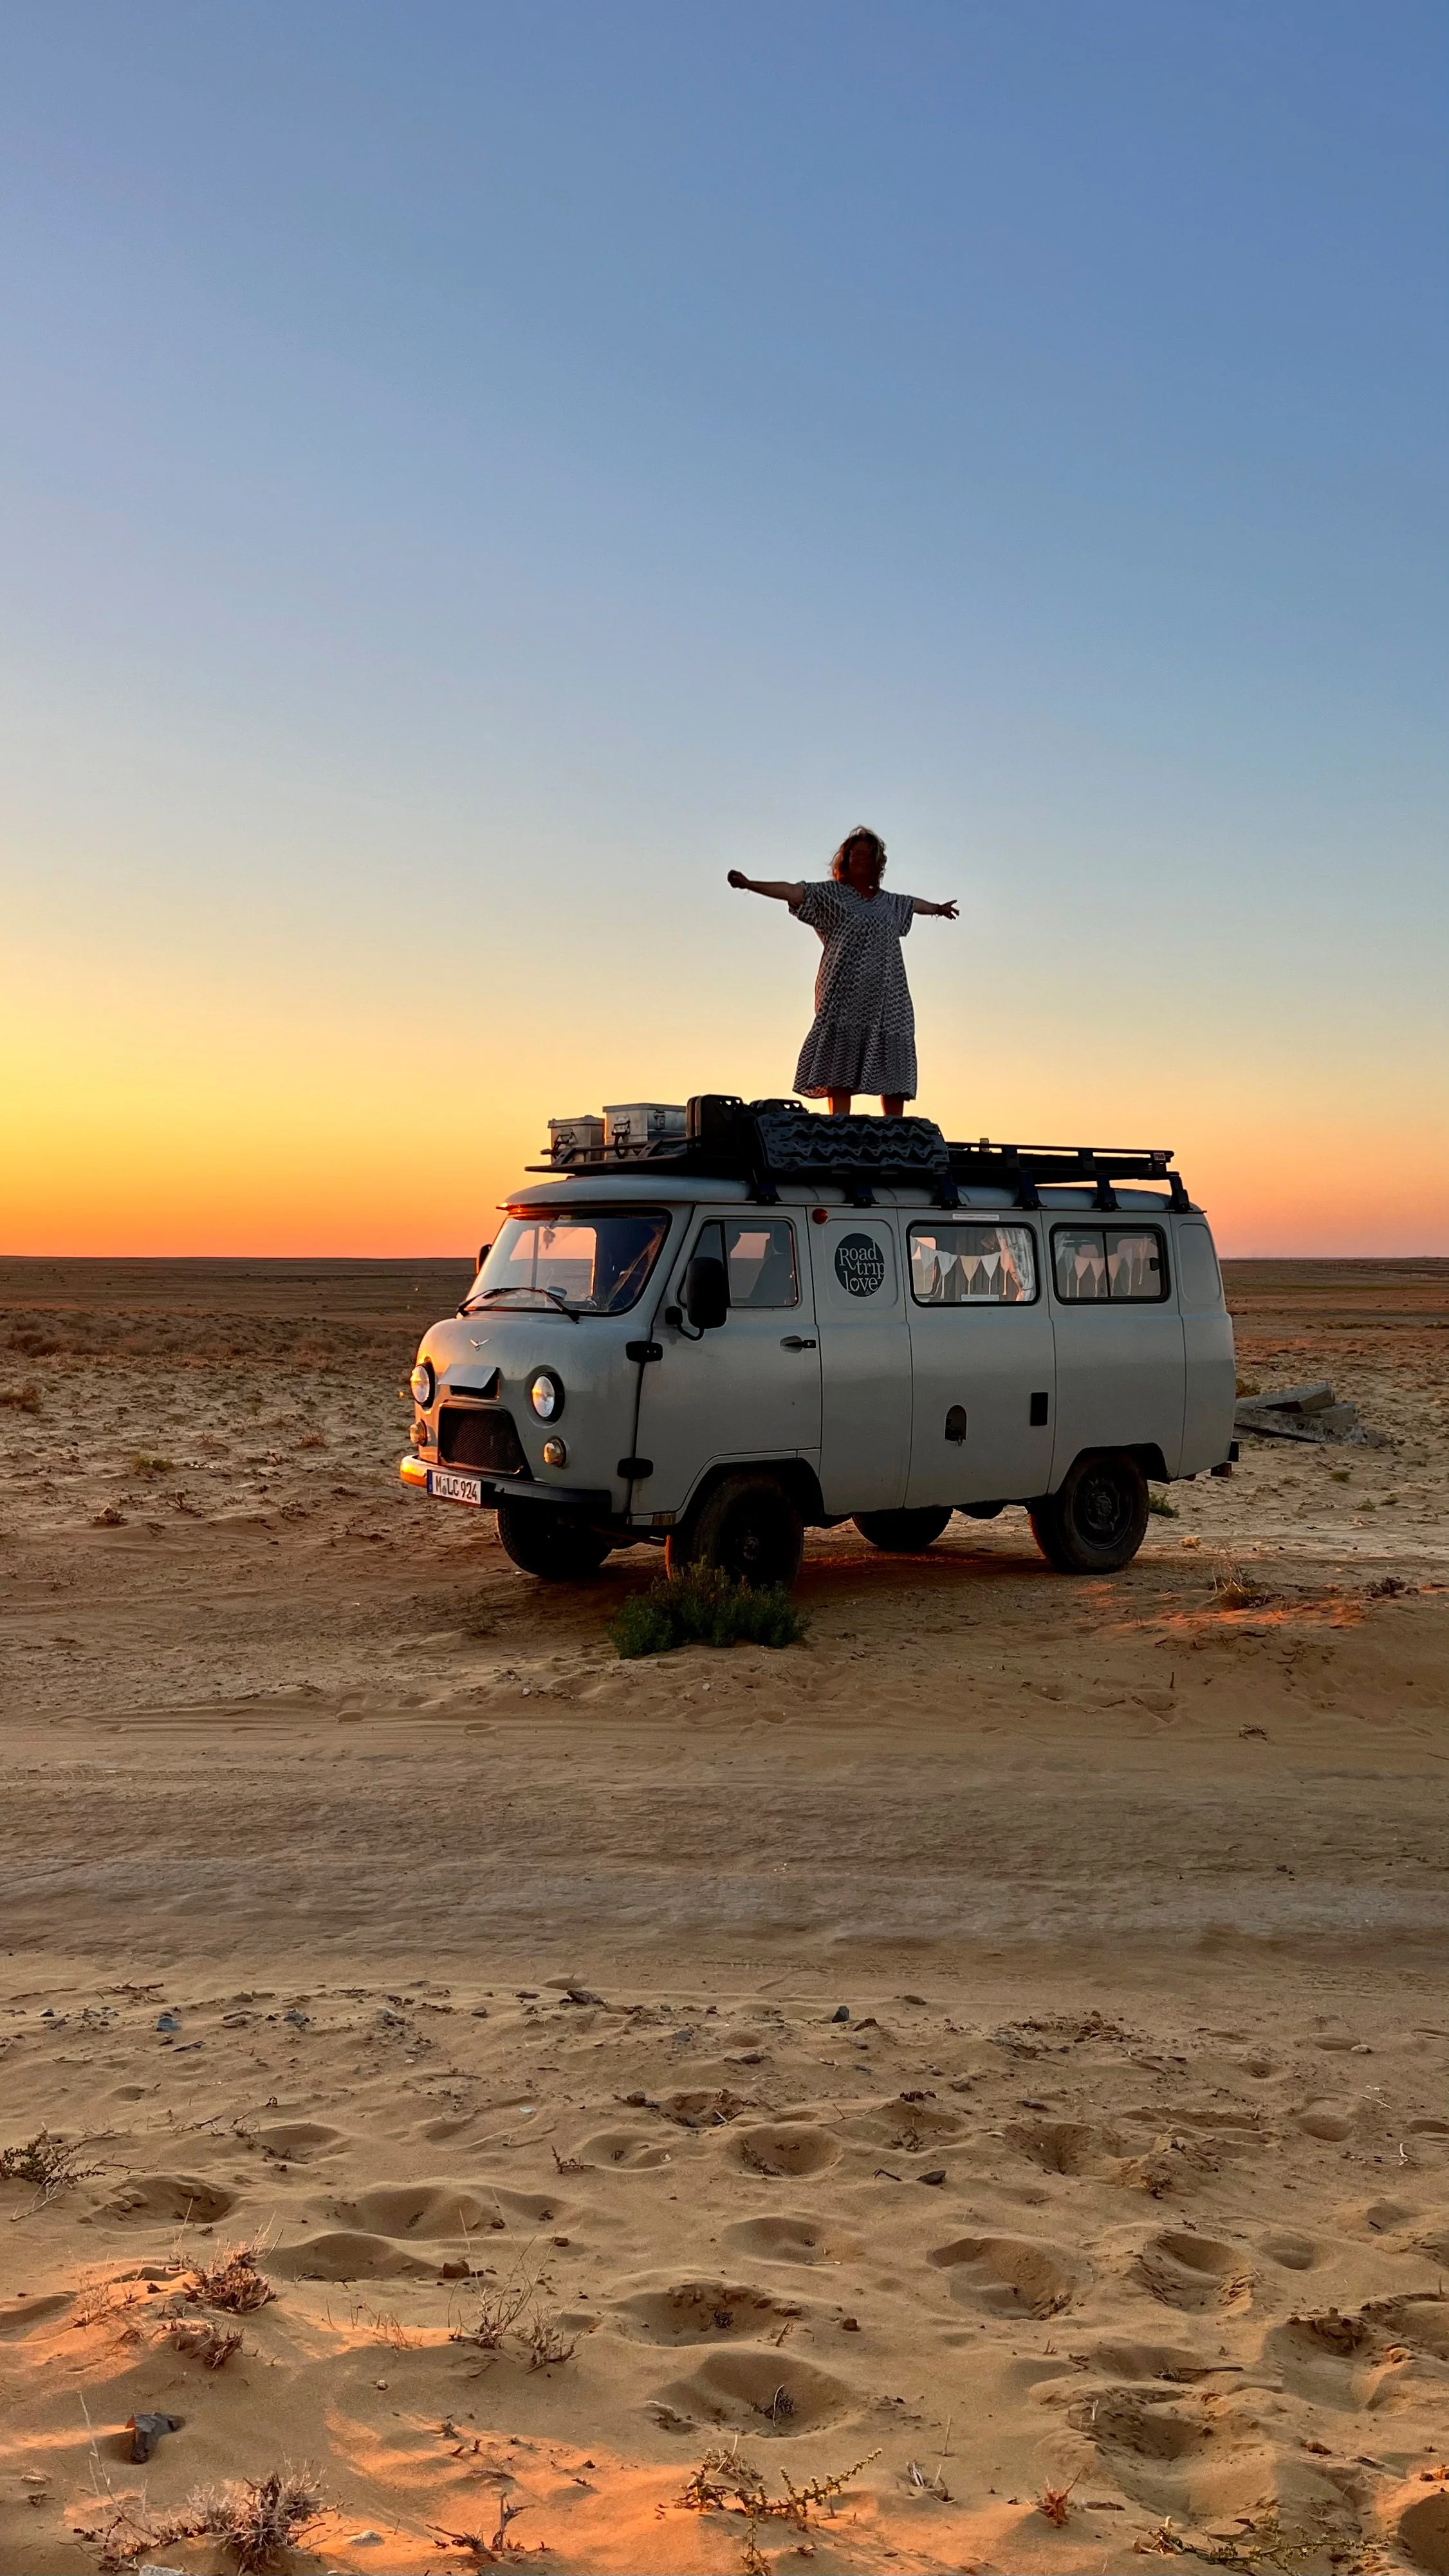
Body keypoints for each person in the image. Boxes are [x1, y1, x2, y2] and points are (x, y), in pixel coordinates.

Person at [727, 826, 957, 1115]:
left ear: (878, 864)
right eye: (856, 855)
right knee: (840, 1063)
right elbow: (792, 891)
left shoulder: (890, 903)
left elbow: (914, 906)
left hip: (890, 998)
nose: (862, 860)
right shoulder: (832, 895)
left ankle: (895, 1131)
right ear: (845, 860)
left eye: (868, 856)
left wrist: (938, 909)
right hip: (845, 994)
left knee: (894, 1064)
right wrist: (750, 885)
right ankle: (839, 1127)